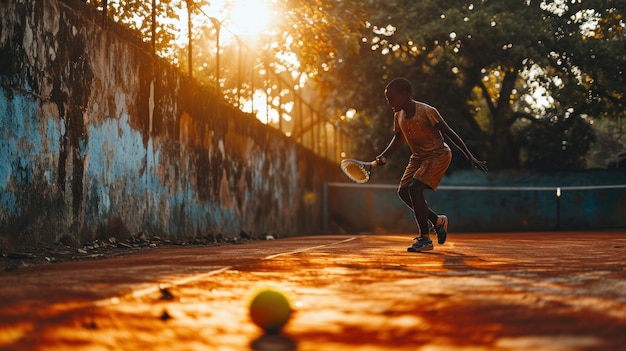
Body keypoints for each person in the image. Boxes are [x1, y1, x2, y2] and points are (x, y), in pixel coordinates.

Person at [374, 78, 488, 252]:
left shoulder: (427, 111)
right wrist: (383, 157)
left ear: (404, 95)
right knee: (404, 192)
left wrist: (470, 156)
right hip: (418, 157)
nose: (389, 102)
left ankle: (425, 239)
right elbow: (398, 138)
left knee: (415, 189)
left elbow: (449, 132)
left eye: (391, 98)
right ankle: (437, 221)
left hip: (438, 154)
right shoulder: (398, 115)